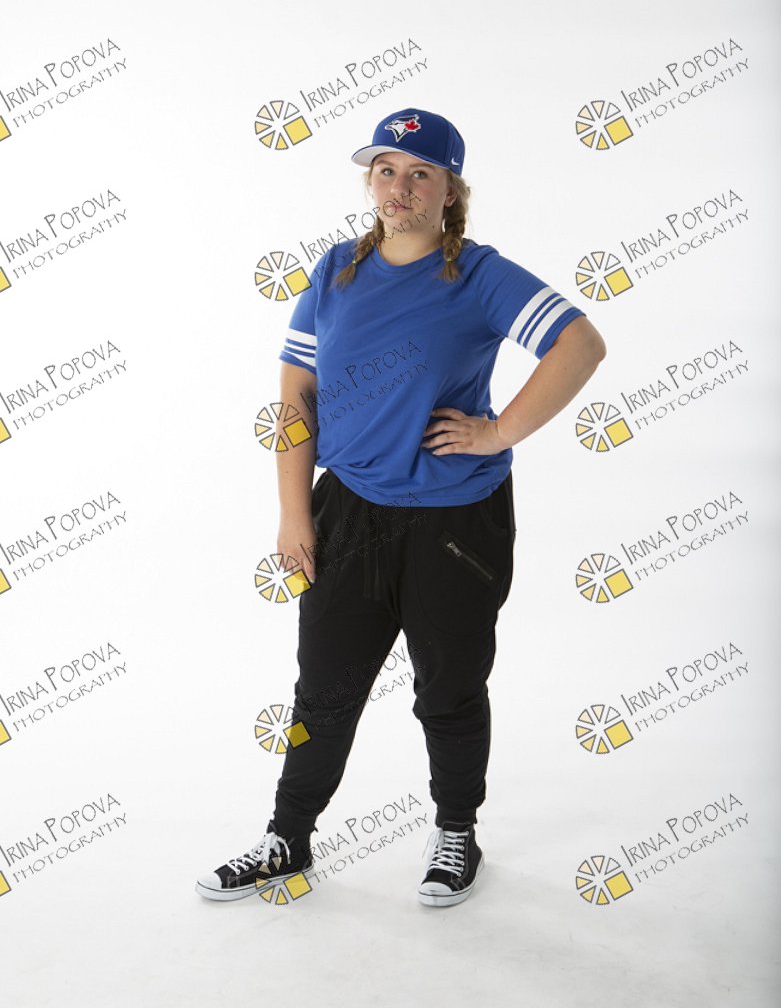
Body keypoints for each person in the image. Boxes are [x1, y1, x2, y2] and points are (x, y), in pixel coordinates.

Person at [196, 107, 606, 907]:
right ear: (370, 182)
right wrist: (293, 512)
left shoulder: (480, 275)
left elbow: (581, 344)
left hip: (457, 521)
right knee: (322, 690)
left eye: (421, 173)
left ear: (451, 190)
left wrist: (497, 431)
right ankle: (287, 836)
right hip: (348, 510)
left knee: (449, 687)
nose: (400, 186)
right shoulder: (334, 272)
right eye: (386, 169)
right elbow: (296, 395)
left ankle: (456, 830)